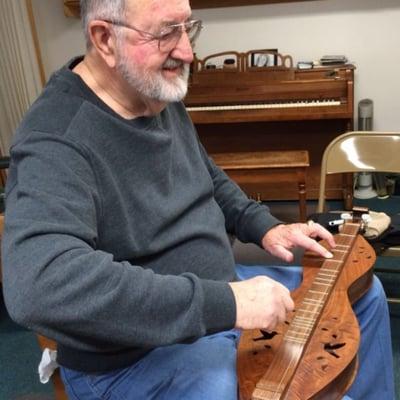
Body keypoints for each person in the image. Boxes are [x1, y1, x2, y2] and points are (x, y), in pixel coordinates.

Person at [1, 0, 394, 399]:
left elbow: (204, 175)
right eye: (166, 32)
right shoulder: (57, 138)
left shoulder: (149, 90)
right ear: (105, 38)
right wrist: (227, 303)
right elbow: (39, 286)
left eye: (188, 28)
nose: (187, 51)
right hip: (135, 354)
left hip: (220, 293)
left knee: (364, 295)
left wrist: (265, 226)